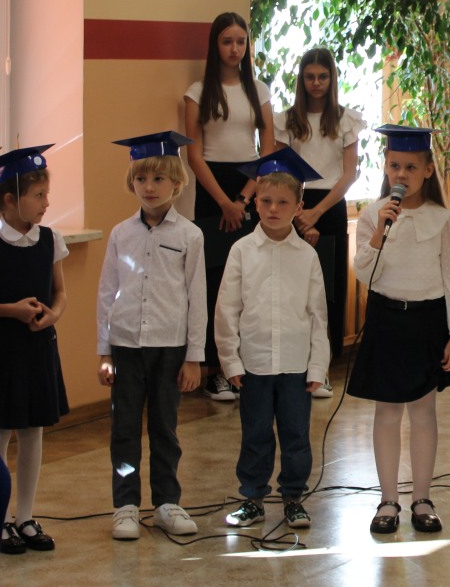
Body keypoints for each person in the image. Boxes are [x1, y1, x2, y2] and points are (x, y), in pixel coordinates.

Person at [350, 125, 450, 535]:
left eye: (411, 167)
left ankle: (422, 498)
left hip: (427, 322)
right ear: (386, 167)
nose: (402, 174)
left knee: (423, 410)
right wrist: (380, 231)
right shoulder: (374, 214)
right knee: (387, 412)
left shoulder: (441, 218)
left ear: (427, 170)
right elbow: (363, 272)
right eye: (395, 166)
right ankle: (388, 499)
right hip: (387, 319)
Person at [0, 145, 70, 554]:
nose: (46, 203)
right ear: (10, 200)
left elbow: (60, 293)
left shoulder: (50, 240)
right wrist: (12, 311)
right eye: (39, 196)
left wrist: (52, 316)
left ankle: (25, 516)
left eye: (46, 195)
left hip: (37, 349)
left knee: (33, 430)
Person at [97, 131, 207, 541]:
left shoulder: (189, 236)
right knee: (124, 429)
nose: (149, 187)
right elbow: (107, 293)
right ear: (132, 182)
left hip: (169, 347)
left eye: (159, 179)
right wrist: (104, 351)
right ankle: (125, 506)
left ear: (176, 183)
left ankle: (166, 503)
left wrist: (193, 356)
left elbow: (197, 298)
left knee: (165, 428)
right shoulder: (120, 234)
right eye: (141, 179)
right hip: (126, 346)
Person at [216, 147, 329, 533]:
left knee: (296, 435)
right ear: (255, 202)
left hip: (296, 364)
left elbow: (318, 315)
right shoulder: (242, 251)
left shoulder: (307, 256)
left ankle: (293, 498)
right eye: (265, 201)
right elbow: (227, 310)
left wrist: (318, 366)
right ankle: (252, 498)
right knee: (256, 433)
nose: (273, 209)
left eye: (283, 202)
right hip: (255, 363)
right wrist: (231, 361)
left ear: (298, 206)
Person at [183, 11, 275, 401]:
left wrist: (243, 198)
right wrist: (224, 201)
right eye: (227, 41)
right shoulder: (197, 92)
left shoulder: (260, 90)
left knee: (248, 279)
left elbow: (267, 150)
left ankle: (246, 366)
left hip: (249, 185)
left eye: (240, 41)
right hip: (212, 190)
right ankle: (217, 371)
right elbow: (194, 154)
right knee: (214, 280)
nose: (235, 49)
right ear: (215, 45)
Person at [275, 47, 365, 395]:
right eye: (310, 76)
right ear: (302, 79)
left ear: (332, 79)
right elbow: (280, 171)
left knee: (326, 292)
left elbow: (348, 174)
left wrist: (316, 214)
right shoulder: (286, 120)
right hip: (294, 204)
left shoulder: (345, 120)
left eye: (323, 77)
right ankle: (291, 365)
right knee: (293, 291)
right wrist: (300, 213)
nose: (316, 83)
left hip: (330, 206)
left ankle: (321, 370)